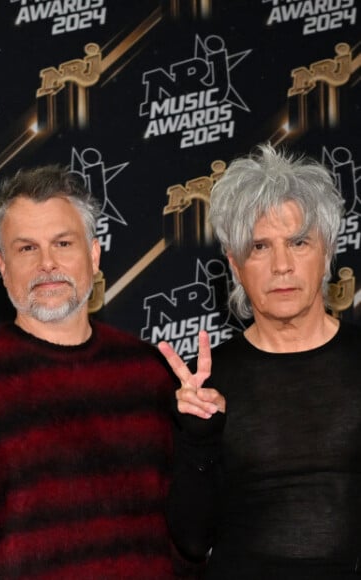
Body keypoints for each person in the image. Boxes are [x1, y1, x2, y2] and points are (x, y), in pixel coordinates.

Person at [0, 165, 197, 579]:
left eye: (63, 243)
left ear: (94, 255)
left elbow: (189, 542)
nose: (47, 263)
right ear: (3, 267)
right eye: (26, 248)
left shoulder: (150, 374)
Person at [159, 143, 361, 579]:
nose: (282, 265)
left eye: (299, 242)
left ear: (326, 253)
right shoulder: (208, 384)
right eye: (259, 247)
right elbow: (192, 542)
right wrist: (198, 439)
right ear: (234, 264)